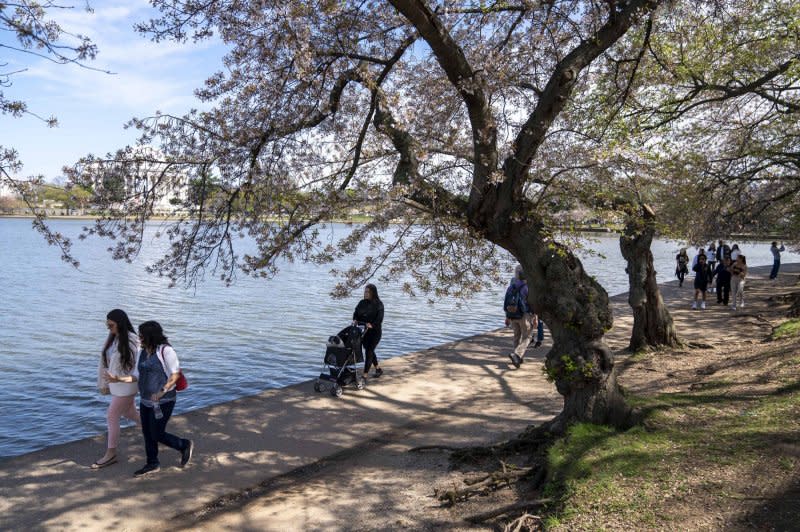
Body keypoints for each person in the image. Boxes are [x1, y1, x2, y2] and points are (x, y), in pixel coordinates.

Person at [134, 320, 193, 477]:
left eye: (142, 335)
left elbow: (175, 375)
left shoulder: (166, 351)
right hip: (146, 400)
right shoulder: (143, 352)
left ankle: (183, 445)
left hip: (164, 400)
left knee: (157, 433)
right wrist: (116, 379)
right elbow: (137, 376)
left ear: (150, 336)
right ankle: (152, 463)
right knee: (147, 433)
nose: (139, 338)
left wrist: (162, 391)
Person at [93, 309, 141, 469]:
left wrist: (118, 378)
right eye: (107, 326)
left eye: (111, 325)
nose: (109, 329)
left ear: (120, 324)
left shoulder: (132, 341)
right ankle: (156, 434)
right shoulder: (114, 338)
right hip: (117, 385)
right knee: (130, 413)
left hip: (126, 385)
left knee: (112, 415)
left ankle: (111, 453)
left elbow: (134, 367)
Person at [504, 265, 536, 368]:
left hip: (512, 315)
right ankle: (517, 354)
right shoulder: (527, 287)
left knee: (516, 336)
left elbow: (505, 302)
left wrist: (507, 316)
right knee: (528, 336)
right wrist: (535, 316)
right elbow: (532, 303)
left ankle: (518, 359)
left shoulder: (511, 286)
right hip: (524, 315)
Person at [353, 283, 384, 379]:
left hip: (375, 332)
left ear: (373, 293)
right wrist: (355, 319)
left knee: (369, 351)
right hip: (364, 331)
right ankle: (378, 369)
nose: (365, 293)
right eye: (365, 291)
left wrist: (372, 324)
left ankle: (365, 375)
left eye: (368, 292)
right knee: (369, 350)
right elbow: (356, 312)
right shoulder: (362, 302)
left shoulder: (379, 304)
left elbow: (380, 319)